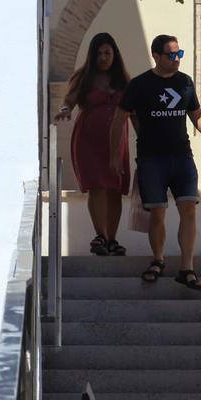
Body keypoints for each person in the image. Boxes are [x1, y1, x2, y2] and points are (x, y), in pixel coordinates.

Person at [110, 34, 201, 291]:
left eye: (180, 54)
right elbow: (118, 120)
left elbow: (198, 117)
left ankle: (187, 268)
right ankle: (158, 260)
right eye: (171, 55)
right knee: (158, 213)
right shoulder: (139, 85)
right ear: (156, 56)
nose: (177, 59)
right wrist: (114, 156)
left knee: (188, 209)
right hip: (151, 160)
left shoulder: (184, 83)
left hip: (182, 158)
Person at [55, 32, 132, 256]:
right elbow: (68, 101)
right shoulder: (84, 77)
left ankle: (111, 239)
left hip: (117, 143)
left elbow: (135, 112)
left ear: (114, 54)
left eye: (107, 53)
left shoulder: (125, 81)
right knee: (97, 186)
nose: (103, 58)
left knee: (115, 189)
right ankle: (100, 235)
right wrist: (65, 110)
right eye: (98, 54)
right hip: (88, 141)